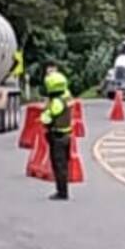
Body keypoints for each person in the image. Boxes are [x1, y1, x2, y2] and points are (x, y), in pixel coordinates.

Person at [40, 69, 73, 201]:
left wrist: (44, 114)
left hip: (58, 137)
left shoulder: (57, 102)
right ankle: (62, 190)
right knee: (62, 165)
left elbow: (47, 118)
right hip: (65, 136)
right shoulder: (66, 97)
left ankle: (62, 192)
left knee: (59, 165)